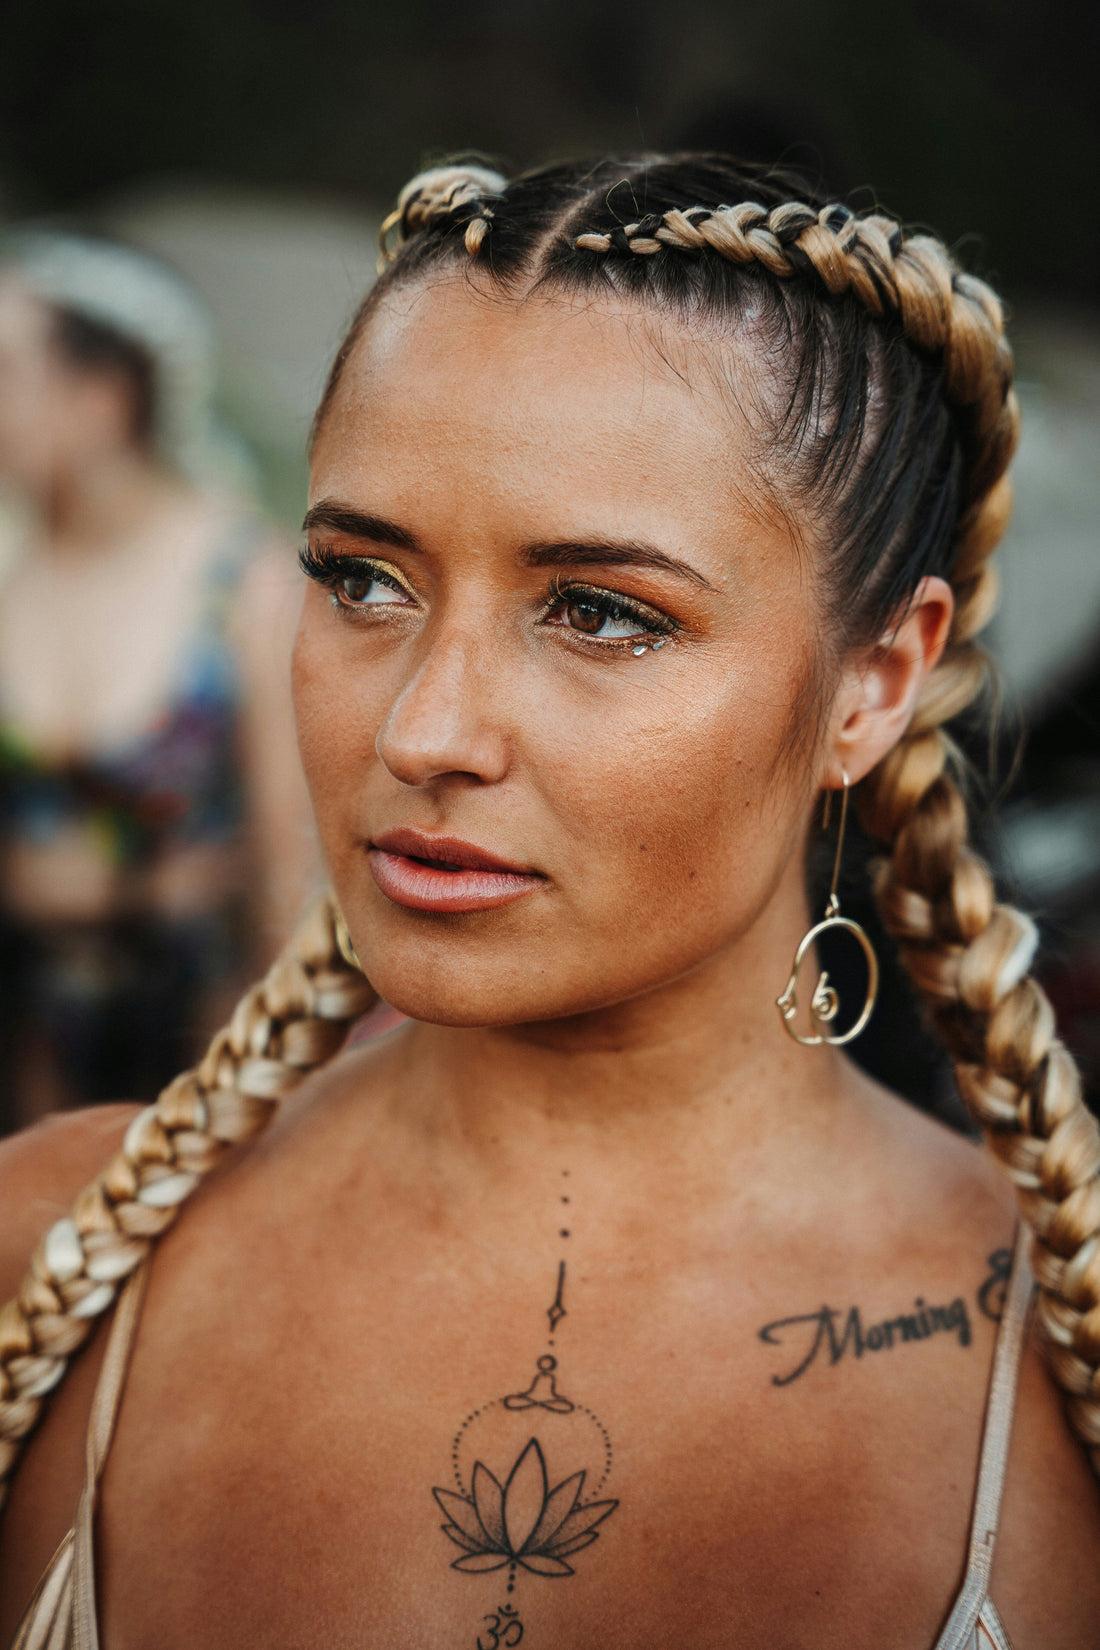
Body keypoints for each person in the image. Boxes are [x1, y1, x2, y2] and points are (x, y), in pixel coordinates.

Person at [1, 154, 1099, 1648]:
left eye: (600, 613)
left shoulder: (1050, 1370)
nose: (422, 732)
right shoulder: (47, 1257)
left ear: (873, 683)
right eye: (362, 579)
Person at [0, 234, 315, 1127]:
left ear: (104, 397)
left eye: (6, 371)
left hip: (190, 1064)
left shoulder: (242, 586)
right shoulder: (7, 569)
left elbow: (290, 873)